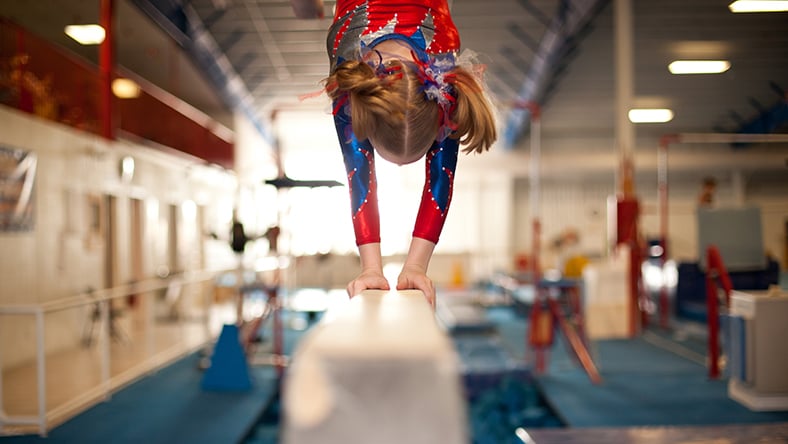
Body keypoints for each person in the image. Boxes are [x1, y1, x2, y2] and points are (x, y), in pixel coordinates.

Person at [323, 0, 497, 306]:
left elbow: (360, 177)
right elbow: (434, 182)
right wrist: (373, 268)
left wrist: (406, 266)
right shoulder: (441, 75)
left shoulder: (350, 73)